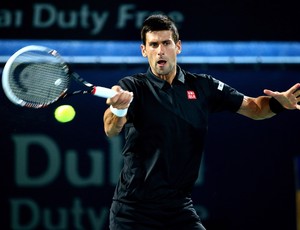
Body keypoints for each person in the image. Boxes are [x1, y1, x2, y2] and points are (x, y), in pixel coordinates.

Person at [103, 14, 300, 230]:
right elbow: (111, 128)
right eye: (153, 44)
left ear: (178, 47)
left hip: (178, 209)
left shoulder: (203, 86)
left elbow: (255, 108)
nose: (160, 50)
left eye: (166, 43)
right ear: (144, 50)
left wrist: (278, 104)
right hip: (133, 213)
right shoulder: (133, 87)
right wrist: (118, 109)